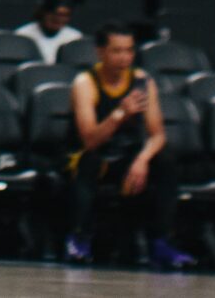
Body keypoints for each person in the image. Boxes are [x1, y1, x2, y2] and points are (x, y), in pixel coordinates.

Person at [64, 24, 196, 270]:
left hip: (127, 154)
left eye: (129, 51)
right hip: (89, 155)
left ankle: (162, 242)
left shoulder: (142, 81)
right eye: (117, 51)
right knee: (89, 161)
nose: (124, 58)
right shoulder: (85, 83)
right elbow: (90, 140)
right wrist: (120, 114)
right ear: (100, 52)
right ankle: (79, 238)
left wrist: (142, 160)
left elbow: (158, 135)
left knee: (166, 160)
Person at [17, 0, 83, 64]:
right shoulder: (23, 35)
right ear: (43, 12)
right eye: (55, 14)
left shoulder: (75, 38)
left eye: (64, 15)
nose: (59, 19)